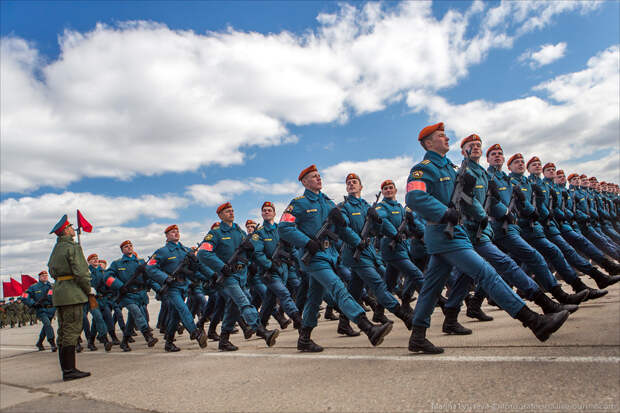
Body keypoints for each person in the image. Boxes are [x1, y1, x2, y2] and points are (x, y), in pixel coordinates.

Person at [405, 123, 569, 354]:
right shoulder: (423, 169)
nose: (447, 139)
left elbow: (466, 200)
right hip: (443, 233)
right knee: (486, 272)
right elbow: (414, 197)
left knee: (431, 289)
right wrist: (443, 212)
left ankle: (417, 337)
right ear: (428, 143)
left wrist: (481, 216)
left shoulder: (451, 170)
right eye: (441, 136)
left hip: (455, 231)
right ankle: (533, 321)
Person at [279, 164, 393, 352]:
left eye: (319, 175)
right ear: (305, 182)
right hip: (313, 257)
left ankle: (304, 338)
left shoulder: (328, 203)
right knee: (338, 288)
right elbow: (284, 228)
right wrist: (306, 242)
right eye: (313, 176)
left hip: (329, 255)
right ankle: (368, 328)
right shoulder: (298, 203)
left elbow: (343, 230)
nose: (318, 178)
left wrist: (358, 242)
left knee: (314, 298)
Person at [198, 202, 279, 351]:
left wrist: (249, 250)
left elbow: (249, 253)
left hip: (242, 276)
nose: (231, 213)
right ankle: (262, 331)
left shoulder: (240, 233)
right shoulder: (215, 234)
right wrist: (221, 266)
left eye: (232, 210)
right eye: (227, 211)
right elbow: (203, 253)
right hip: (228, 277)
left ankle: (223, 340)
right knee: (244, 302)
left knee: (232, 309)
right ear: (220, 215)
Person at [146, 225, 208, 352]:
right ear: (167, 236)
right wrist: (164, 278)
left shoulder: (185, 250)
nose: (176, 233)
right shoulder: (162, 252)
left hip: (184, 286)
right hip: (172, 287)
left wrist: (197, 264)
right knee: (183, 309)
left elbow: (194, 270)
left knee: (174, 316)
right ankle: (195, 333)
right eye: (172, 232)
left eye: (177, 231)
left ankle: (169, 343)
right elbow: (150, 268)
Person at [47, 214, 93, 381]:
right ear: (66, 230)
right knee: (72, 330)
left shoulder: (56, 249)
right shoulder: (72, 247)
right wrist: (89, 290)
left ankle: (67, 369)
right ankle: (69, 370)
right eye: (70, 227)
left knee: (63, 330)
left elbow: (51, 270)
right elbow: (81, 273)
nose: (73, 229)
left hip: (60, 293)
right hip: (72, 293)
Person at [24, 271, 57, 352]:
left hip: (51, 309)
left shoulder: (52, 286)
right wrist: (32, 303)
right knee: (47, 324)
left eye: (46, 275)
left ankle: (39, 342)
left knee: (46, 326)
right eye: (42, 276)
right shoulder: (34, 287)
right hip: (41, 309)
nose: (45, 277)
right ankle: (52, 342)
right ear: (39, 277)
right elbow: (25, 296)